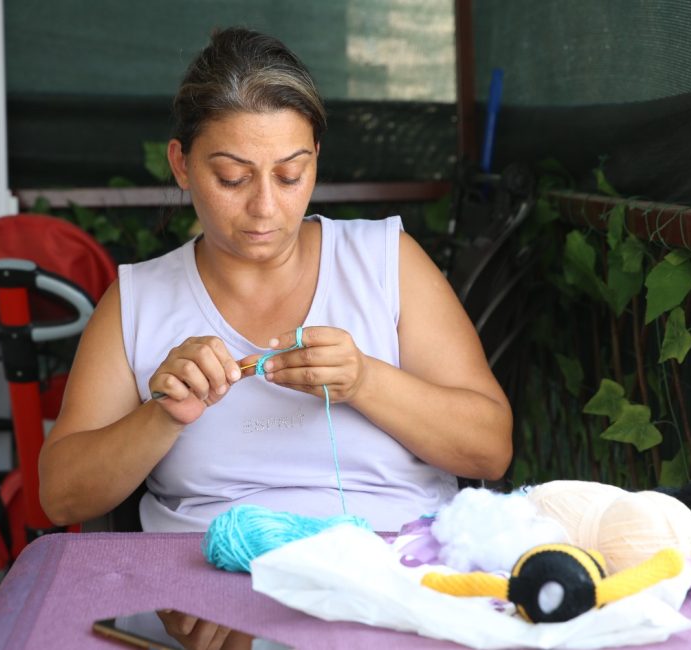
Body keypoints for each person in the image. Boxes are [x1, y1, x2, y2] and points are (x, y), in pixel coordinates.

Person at [38, 27, 512, 536]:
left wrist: (366, 381)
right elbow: (62, 497)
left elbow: (490, 452)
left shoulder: (383, 262)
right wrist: (162, 416)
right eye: (232, 178)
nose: (265, 207)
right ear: (181, 164)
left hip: (389, 573)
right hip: (205, 591)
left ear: (315, 159)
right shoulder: (140, 301)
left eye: (289, 175)